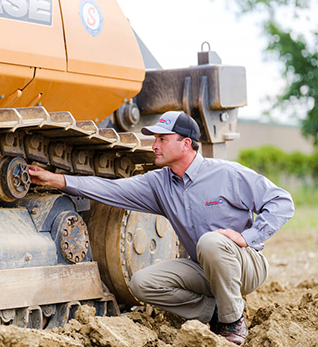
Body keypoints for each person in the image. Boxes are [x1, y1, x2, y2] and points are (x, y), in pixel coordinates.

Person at [28, 111, 294, 345]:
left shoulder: (227, 174)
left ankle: (233, 321)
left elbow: (282, 201)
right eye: (155, 139)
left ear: (186, 143)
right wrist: (58, 180)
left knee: (211, 242)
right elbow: (111, 189)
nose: (154, 145)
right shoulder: (158, 184)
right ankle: (215, 312)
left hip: (245, 265)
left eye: (162, 139)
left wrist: (248, 237)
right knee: (142, 283)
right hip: (203, 267)